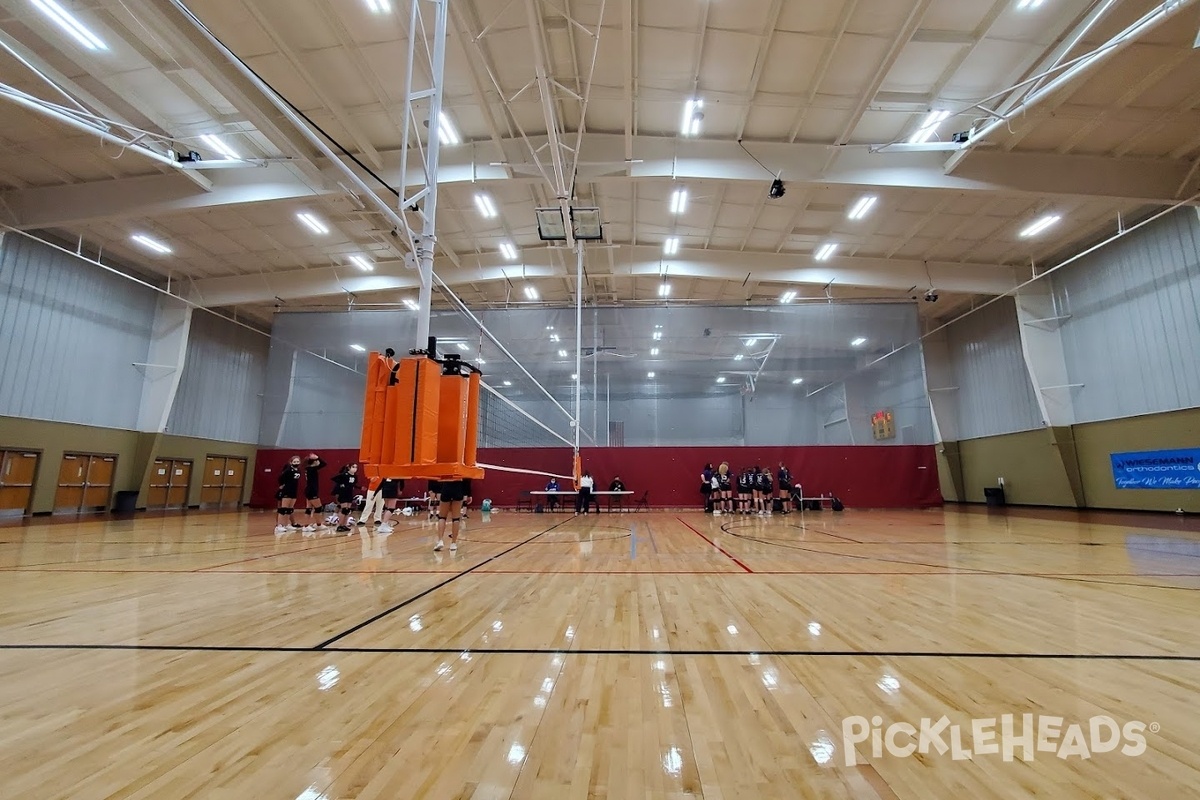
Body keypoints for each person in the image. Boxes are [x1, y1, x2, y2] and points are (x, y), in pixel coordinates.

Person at [434, 477, 471, 552]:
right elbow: (467, 479)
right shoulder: (461, 466)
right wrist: (468, 494)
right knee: (456, 518)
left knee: (442, 517)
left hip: (446, 487)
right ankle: (453, 543)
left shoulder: (446, 465)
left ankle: (440, 540)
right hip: (458, 488)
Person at [274, 455, 302, 533]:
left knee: (290, 509)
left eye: (297, 461)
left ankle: (286, 525)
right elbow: (280, 478)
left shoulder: (298, 470)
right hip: (286, 491)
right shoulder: (288, 470)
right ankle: (279, 525)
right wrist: (281, 485)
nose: (296, 463)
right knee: (283, 509)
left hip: (294, 491)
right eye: (294, 462)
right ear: (291, 462)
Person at [300, 453, 327, 532]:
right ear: (314, 462)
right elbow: (323, 464)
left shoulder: (309, 468)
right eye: (317, 461)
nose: (318, 462)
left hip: (310, 490)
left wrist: (316, 458)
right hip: (311, 491)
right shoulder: (311, 469)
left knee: (309, 509)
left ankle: (307, 525)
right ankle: (318, 524)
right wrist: (318, 457)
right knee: (318, 508)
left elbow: (322, 464)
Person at [331, 463, 359, 532]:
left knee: (347, 510)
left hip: (350, 494)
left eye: (356, 467)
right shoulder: (344, 475)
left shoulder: (355, 476)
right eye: (353, 467)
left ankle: (344, 525)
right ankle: (339, 525)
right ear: (349, 468)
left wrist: (360, 488)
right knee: (343, 509)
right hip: (343, 494)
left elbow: (353, 484)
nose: (355, 468)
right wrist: (341, 484)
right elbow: (334, 478)